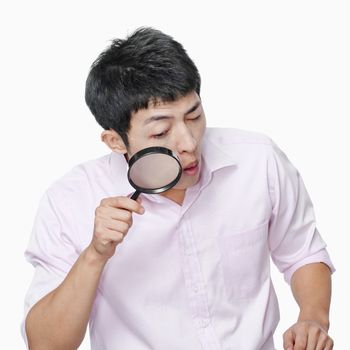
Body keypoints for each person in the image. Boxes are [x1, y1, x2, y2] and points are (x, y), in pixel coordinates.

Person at [22, 27, 335, 350]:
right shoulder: (69, 199)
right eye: (161, 132)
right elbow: (45, 344)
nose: (188, 143)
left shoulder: (258, 159)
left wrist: (313, 318)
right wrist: (95, 255)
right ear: (115, 141)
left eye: (194, 115)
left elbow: (302, 253)